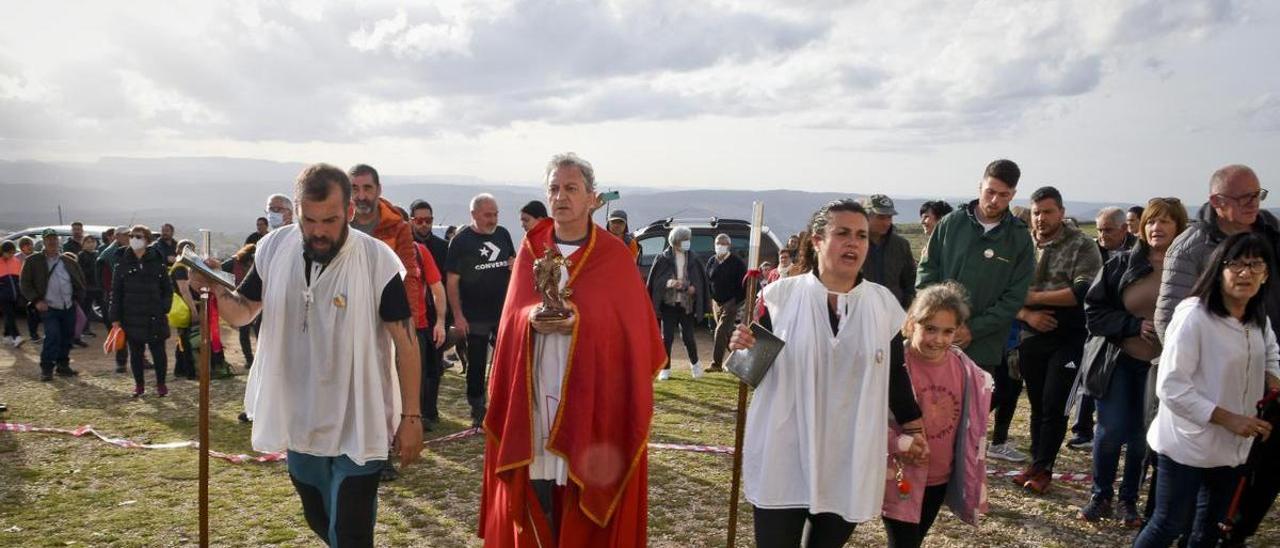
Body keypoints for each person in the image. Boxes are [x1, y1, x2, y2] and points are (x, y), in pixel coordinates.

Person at [189, 163, 423, 547]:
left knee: (350, 534)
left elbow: (407, 341)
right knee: (320, 520)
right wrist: (214, 290)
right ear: (296, 210)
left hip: (360, 417)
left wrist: (411, 416)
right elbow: (244, 310)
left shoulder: (377, 260)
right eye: (308, 219)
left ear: (349, 211)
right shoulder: (274, 247)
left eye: (329, 220)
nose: (318, 231)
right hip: (301, 417)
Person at [480, 152, 665, 546]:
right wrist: (530, 319)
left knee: (581, 492)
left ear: (591, 198)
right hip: (536, 389)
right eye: (554, 188)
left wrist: (580, 321)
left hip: (592, 396)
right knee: (540, 487)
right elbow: (511, 319)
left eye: (571, 188)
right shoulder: (531, 251)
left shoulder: (614, 256)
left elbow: (632, 333)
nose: (561, 196)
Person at [730, 199, 924, 548]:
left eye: (862, 236)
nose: (854, 243)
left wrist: (914, 425)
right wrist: (742, 348)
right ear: (817, 240)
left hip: (849, 452)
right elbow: (750, 373)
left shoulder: (883, 306)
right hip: (784, 449)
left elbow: (894, 372)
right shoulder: (780, 298)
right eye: (843, 233)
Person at [1134, 232, 1280, 548]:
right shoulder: (1194, 316)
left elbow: (1271, 351)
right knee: (1168, 524)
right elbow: (1171, 387)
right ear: (1218, 269)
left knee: (1208, 530)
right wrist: (1228, 418)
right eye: (1237, 265)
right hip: (1187, 442)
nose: (1246, 273)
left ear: (1266, 273)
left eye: (1256, 265)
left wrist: (1272, 378)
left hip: (1232, 446)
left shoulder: (1256, 316)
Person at [917, 159, 1035, 464]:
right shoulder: (951, 224)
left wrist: (974, 328)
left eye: (1004, 195)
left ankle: (960, 483)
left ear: (1013, 195)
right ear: (979, 187)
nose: (995, 201)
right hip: (935, 342)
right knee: (929, 414)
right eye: (990, 192)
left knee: (969, 422)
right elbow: (927, 274)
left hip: (981, 346)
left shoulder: (1019, 237)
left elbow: (1015, 296)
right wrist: (938, 324)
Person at [1079, 198, 1188, 526]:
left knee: (1143, 436)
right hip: (1119, 360)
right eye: (1152, 221)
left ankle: (1129, 500)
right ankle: (1100, 496)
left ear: (1179, 228)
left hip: (1163, 367)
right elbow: (1093, 312)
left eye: (1166, 221)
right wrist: (1132, 325)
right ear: (1142, 227)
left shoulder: (1189, 269)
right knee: (1111, 430)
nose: (1157, 227)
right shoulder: (1120, 264)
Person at [881, 282, 992, 548]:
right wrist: (898, 442)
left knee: (915, 539)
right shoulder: (893, 366)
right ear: (911, 323)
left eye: (947, 331)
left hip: (940, 476)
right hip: (899, 475)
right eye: (930, 329)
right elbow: (869, 418)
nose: (938, 339)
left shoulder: (966, 370)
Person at [1011, 186, 1103, 494]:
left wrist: (1034, 297)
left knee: (1054, 403)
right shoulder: (1021, 244)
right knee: (1037, 403)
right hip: (1030, 332)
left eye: (1048, 212)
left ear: (1061, 213)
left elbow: (1082, 291)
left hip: (1069, 336)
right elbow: (1005, 292)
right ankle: (1035, 463)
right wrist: (1027, 313)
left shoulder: (1082, 245)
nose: (1041, 218)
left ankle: (1044, 468)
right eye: (1036, 212)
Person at [1068, 206, 1141, 451]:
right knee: (1087, 375)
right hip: (1095, 322)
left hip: (1127, 330)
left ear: (1124, 229)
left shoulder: (1138, 255)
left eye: (1108, 230)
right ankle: (1082, 429)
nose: (1102, 235)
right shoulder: (1092, 250)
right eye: (1099, 230)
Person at [446, 192, 516, 427]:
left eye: (496, 214)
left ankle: (504, 406)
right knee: (476, 365)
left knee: (508, 360)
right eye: (488, 215)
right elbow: (452, 281)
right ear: (474, 214)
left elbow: (513, 264)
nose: (493, 219)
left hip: (503, 312)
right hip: (474, 315)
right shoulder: (461, 241)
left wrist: (513, 266)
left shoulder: (503, 234)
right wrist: (458, 315)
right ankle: (478, 410)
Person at [110, 225, 173, 397]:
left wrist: (164, 307)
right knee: (136, 354)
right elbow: (116, 293)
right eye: (132, 236)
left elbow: (167, 288)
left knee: (159, 353)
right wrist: (115, 317)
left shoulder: (157, 261)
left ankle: (161, 384)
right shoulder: (121, 262)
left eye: (138, 236)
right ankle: (139, 386)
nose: (134, 239)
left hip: (155, 315)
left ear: (147, 240)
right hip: (131, 316)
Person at [20, 229, 86, 381]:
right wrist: (36, 300)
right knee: (53, 336)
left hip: (68, 306)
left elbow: (79, 280)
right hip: (49, 307)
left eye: (55, 240)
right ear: (43, 242)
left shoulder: (68, 261)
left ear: (58, 242)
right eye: (49, 240)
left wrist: (77, 298)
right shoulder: (33, 261)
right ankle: (47, 369)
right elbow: (25, 284)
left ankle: (63, 366)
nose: (52, 242)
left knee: (67, 337)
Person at [646, 225, 708, 381]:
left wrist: (693, 288)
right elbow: (656, 281)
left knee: (688, 337)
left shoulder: (693, 257)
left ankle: (695, 365)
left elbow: (700, 280)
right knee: (666, 338)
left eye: (688, 239)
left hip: (686, 304)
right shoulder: (662, 258)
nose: (687, 242)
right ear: (676, 241)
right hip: (669, 304)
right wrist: (669, 282)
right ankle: (665, 368)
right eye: (684, 240)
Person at [409, 226, 446, 430]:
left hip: (417, 327)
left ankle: (414, 420)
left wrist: (440, 322)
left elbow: (437, 289)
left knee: (417, 378)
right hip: (384, 329)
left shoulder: (419, 252)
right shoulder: (379, 250)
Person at [862, 194, 916, 308]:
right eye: (881, 217)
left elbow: (910, 280)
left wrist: (907, 307)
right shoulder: (854, 244)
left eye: (889, 217)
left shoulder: (901, 245)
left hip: (894, 314)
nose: (886, 222)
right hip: (860, 311)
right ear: (866, 216)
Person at [707, 233, 746, 373]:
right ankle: (741, 360)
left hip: (731, 302)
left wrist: (735, 301)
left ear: (729, 246)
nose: (720, 246)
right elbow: (708, 280)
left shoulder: (737, 263)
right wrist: (711, 298)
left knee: (720, 331)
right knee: (727, 334)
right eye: (718, 243)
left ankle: (716, 364)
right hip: (716, 302)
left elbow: (744, 284)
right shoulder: (712, 261)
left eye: (723, 243)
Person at [15, 237, 41, 343]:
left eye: (30, 244)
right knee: (32, 313)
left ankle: (34, 334)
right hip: (24, 290)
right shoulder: (17, 259)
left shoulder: (38, 256)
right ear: (21, 247)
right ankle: (33, 335)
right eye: (26, 245)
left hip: (37, 289)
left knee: (37, 313)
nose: (29, 246)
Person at [1, 241, 22, 348]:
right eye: (9, 253)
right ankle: (16, 337)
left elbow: (20, 278)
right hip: (2, 296)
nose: (11, 255)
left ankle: (6, 335)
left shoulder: (16, 261)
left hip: (14, 294)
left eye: (13, 253)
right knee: (9, 315)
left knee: (10, 315)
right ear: (3, 252)